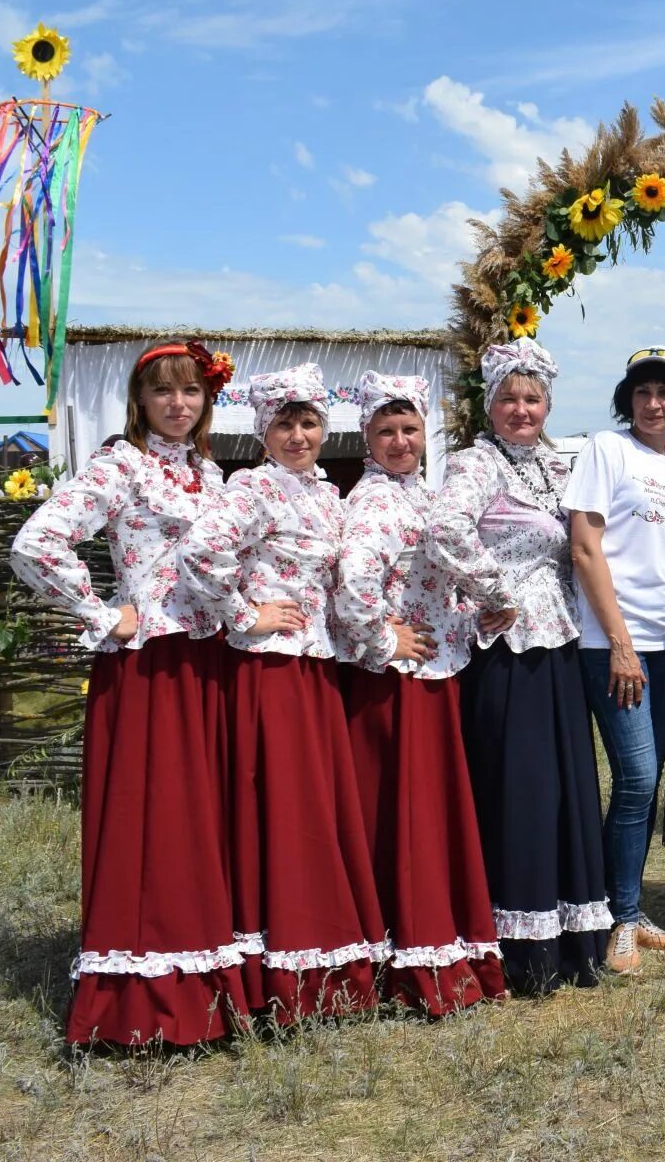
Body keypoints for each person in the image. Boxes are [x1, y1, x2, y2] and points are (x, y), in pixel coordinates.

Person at [10, 339, 249, 1046]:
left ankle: (207, 978)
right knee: (158, 824)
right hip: (152, 666)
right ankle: (144, 1001)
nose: (179, 404)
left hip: (211, 661)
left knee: (203, 823)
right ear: (139, 401)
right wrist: (102, 609)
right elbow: (38, 542)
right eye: (165, 392)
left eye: (191, 392)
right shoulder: (122, 465)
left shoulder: (210, 472)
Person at [177, 363, 389, 1023]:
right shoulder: (253, 488)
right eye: (285, 424)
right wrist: (247, 615)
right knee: (285, 813)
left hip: (316, 667)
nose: (298, 435)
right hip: (270, 670)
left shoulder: (328, 495)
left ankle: (319, 955)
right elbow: (200, 554)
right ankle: (282, 967)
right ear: (263, 430)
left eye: (309, 422)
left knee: (314, 812)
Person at [431, 339, 609, 994]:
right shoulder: (476, 463)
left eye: (532, 398)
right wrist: (492, 592)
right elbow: (444, 528)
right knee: (521, 792)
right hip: (505, 653)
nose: (520, 408)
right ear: (490, 404)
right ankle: (519, 951)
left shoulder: (556, 468)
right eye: (508, 397)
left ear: (548, 404)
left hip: (557, 646)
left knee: (564, 790)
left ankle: (569, 938)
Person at [333, 372, 505, 1015]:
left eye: (410, 430)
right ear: (367, 438)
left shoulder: (419, 495)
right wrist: (385, 638)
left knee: (425, 816)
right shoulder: (374, 502)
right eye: (386, 432)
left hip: (433, 678)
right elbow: (352, 585)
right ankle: (407, 949)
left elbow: (434, 582)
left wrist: (476, 612)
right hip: (395, 688)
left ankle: (425, 939)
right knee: (401, 817)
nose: (401, 442)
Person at [565, 346, 665, 975]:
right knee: (638, 779)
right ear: (628, 399)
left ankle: (632, 906)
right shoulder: (605, 450)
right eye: (643, 391)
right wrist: (619, 643)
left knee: (649, 786)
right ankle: (618, 916)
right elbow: (585, 548)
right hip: (616, 645)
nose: (654, 403)